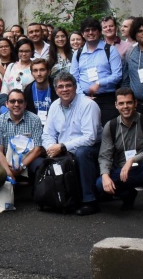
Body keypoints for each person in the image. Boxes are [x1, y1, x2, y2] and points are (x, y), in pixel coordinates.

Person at [95, 88, 143, 219]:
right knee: (100, 183)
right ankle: (128, 195)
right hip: (123, 172)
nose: (125, 106)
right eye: (121, 103)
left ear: (135, 103)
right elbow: (105, 155)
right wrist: (105, 175)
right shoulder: (111, 125)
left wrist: (132, 159)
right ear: (116, 105)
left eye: (129, 102)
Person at [39, 72, 102, 215]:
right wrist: (50, 148)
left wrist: (62, 147)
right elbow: (48, 134)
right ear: (56, 90)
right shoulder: (54, 106)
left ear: (75, 87)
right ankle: (61, 198)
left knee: (82, 153)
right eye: (60, 86)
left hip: (91, 148)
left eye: (68, 85)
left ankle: (90, 201)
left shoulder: (88, 105)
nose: (65, 89)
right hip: (64, 148)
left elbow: (90, 138)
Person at [73, 18, 122, 123]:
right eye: (87, 30)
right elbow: (73, 79)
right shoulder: (78, 53)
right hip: (84, 100)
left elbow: (117, 75)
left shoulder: (110, 50)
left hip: (107, 99)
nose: (90, 33)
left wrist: (99, 83)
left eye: (94, 29)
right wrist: (82, 96)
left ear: (99, 32)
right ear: (83, 34)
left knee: (108, 129)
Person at [0, 90, 44, 192]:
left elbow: (38, 149)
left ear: (25, 104)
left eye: (20, 101)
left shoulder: (35, 120)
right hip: (6, 161)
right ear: (7, 104)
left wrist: (21, 166)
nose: (16, 104)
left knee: (40, 164)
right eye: (12, 101)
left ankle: (38, 195)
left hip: (28, 161)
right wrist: (9, 172)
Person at [22, 58, 56, 124]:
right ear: (31, 73)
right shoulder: (28, 90)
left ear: (48, 72)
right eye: (35, 71)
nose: (39, 74)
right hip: (34, 125)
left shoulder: (56, 87)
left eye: (42, 70)